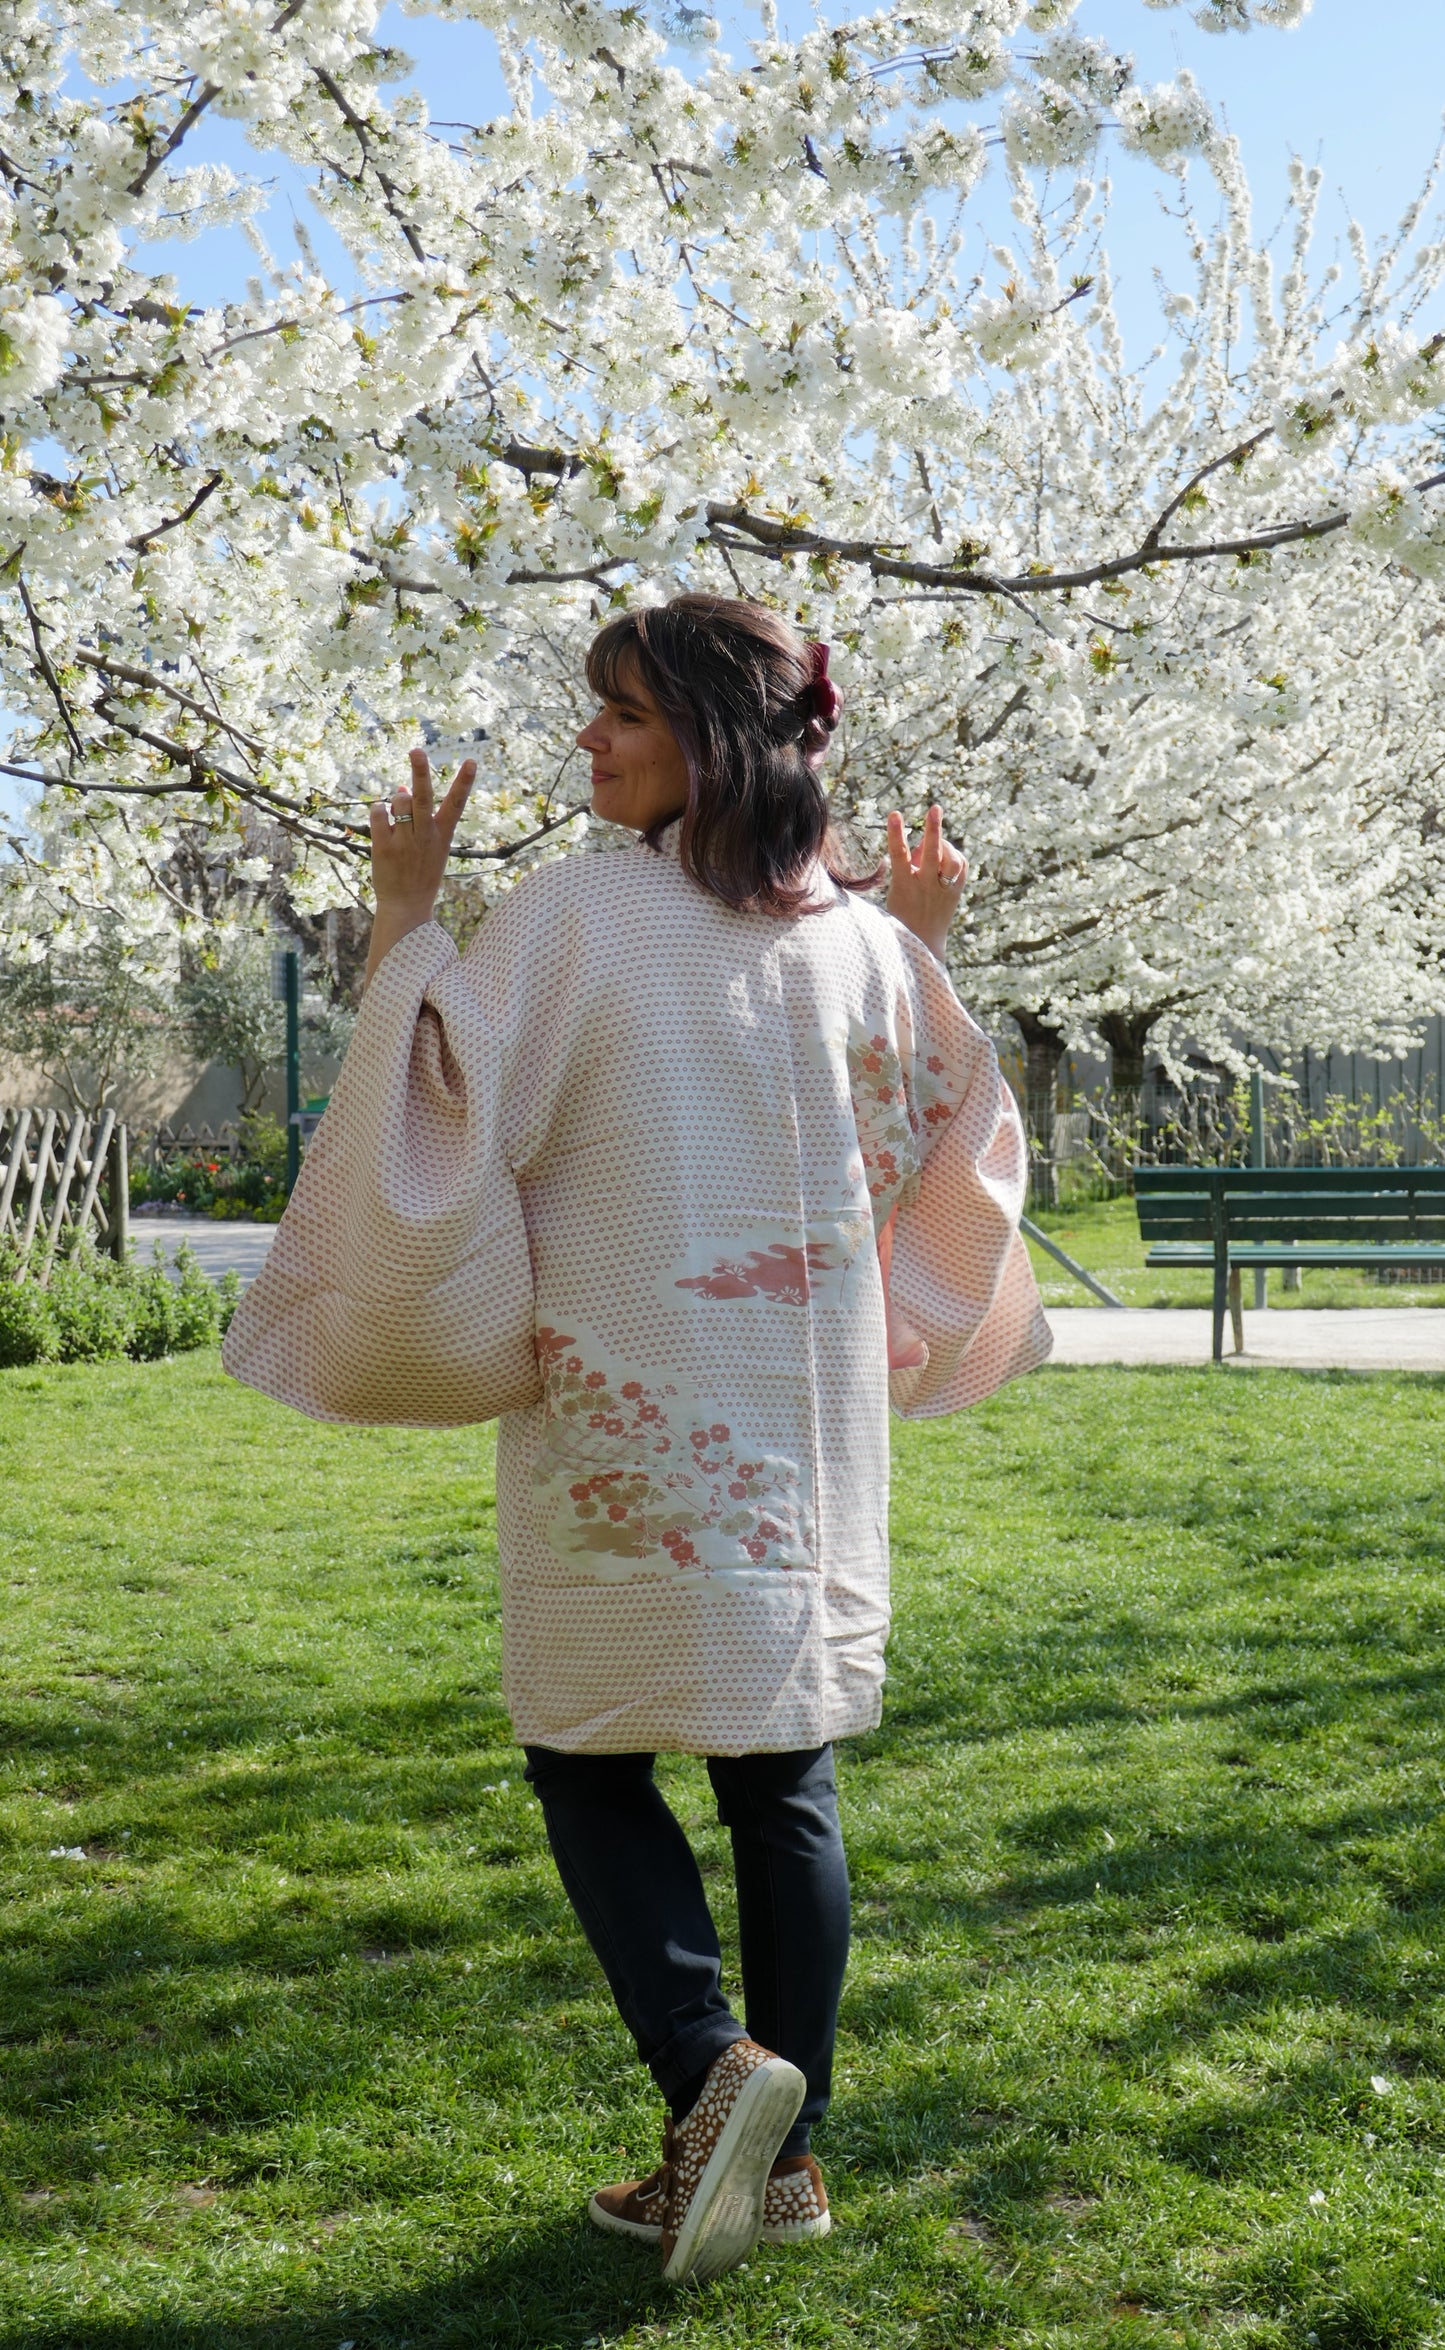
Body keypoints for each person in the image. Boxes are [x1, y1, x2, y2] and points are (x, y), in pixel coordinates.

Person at [223, 593, 1051, 2287]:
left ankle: (713, 2074)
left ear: (713, 736)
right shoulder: (861, 948)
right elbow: (934, 1148)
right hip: (803, 1430)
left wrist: (403, 920)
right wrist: (924, 943)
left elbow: (437, 1117)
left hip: (625, 1419)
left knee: (586, 1756)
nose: (585, 741)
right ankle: (787, 2163)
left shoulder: (570, 918)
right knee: (782, 1771)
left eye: (621, 713)